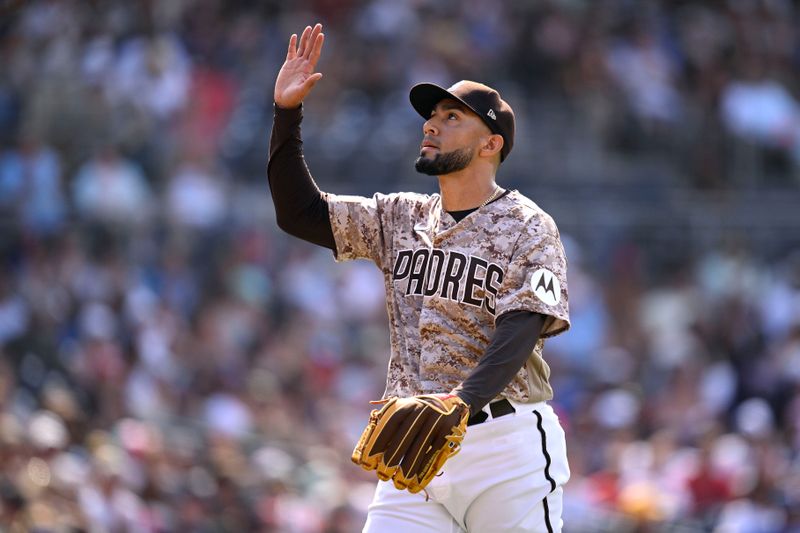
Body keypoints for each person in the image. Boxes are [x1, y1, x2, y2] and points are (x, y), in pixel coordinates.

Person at [268, 23, 571, 533]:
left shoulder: (528, 224)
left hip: (505, 442)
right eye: (431, 116)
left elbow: (522, 328)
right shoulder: (400, 217)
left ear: (490, 144)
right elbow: (299, 213)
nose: (431, 125)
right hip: (414, 446)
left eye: (452, 118)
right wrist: (286, 114)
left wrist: (459, 402)